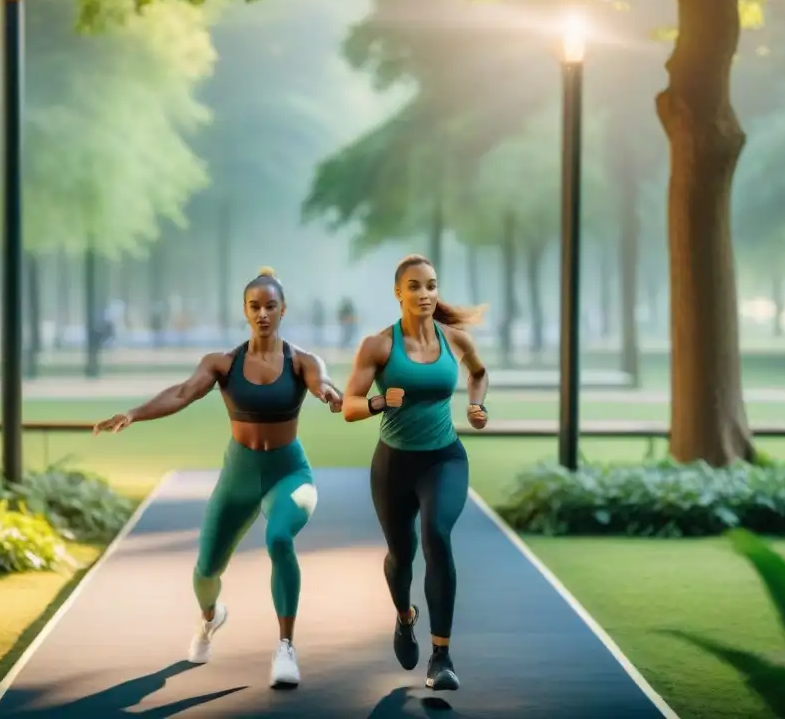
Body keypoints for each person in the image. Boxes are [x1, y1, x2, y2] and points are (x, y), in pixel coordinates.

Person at [93, 267, 343, 689]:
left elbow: (325, 385)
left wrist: (331, 395)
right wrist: (133, 413)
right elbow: (181, 393)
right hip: (238, 476)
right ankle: (210, 618)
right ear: (245, 311)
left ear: (284, 310)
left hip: (289, 473)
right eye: (255, 307)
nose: (263, 314)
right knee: (205, 571)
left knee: (279, 538)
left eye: (270, 306)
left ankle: (286, 648)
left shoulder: (302, 362)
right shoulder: (223, 363)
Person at [341, 254, 489, 692]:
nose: (425, 294)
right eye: (415, 286)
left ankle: (441, 656)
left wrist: (476, 404)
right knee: (400, 558)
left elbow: (479, 374)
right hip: (393, 465)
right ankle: (405, 617)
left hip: (444, 459)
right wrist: (378, 402)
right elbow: (349, 405)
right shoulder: (378, 346)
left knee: (437, 536)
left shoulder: (455, 340)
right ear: (398, 293)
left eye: (431, 285)